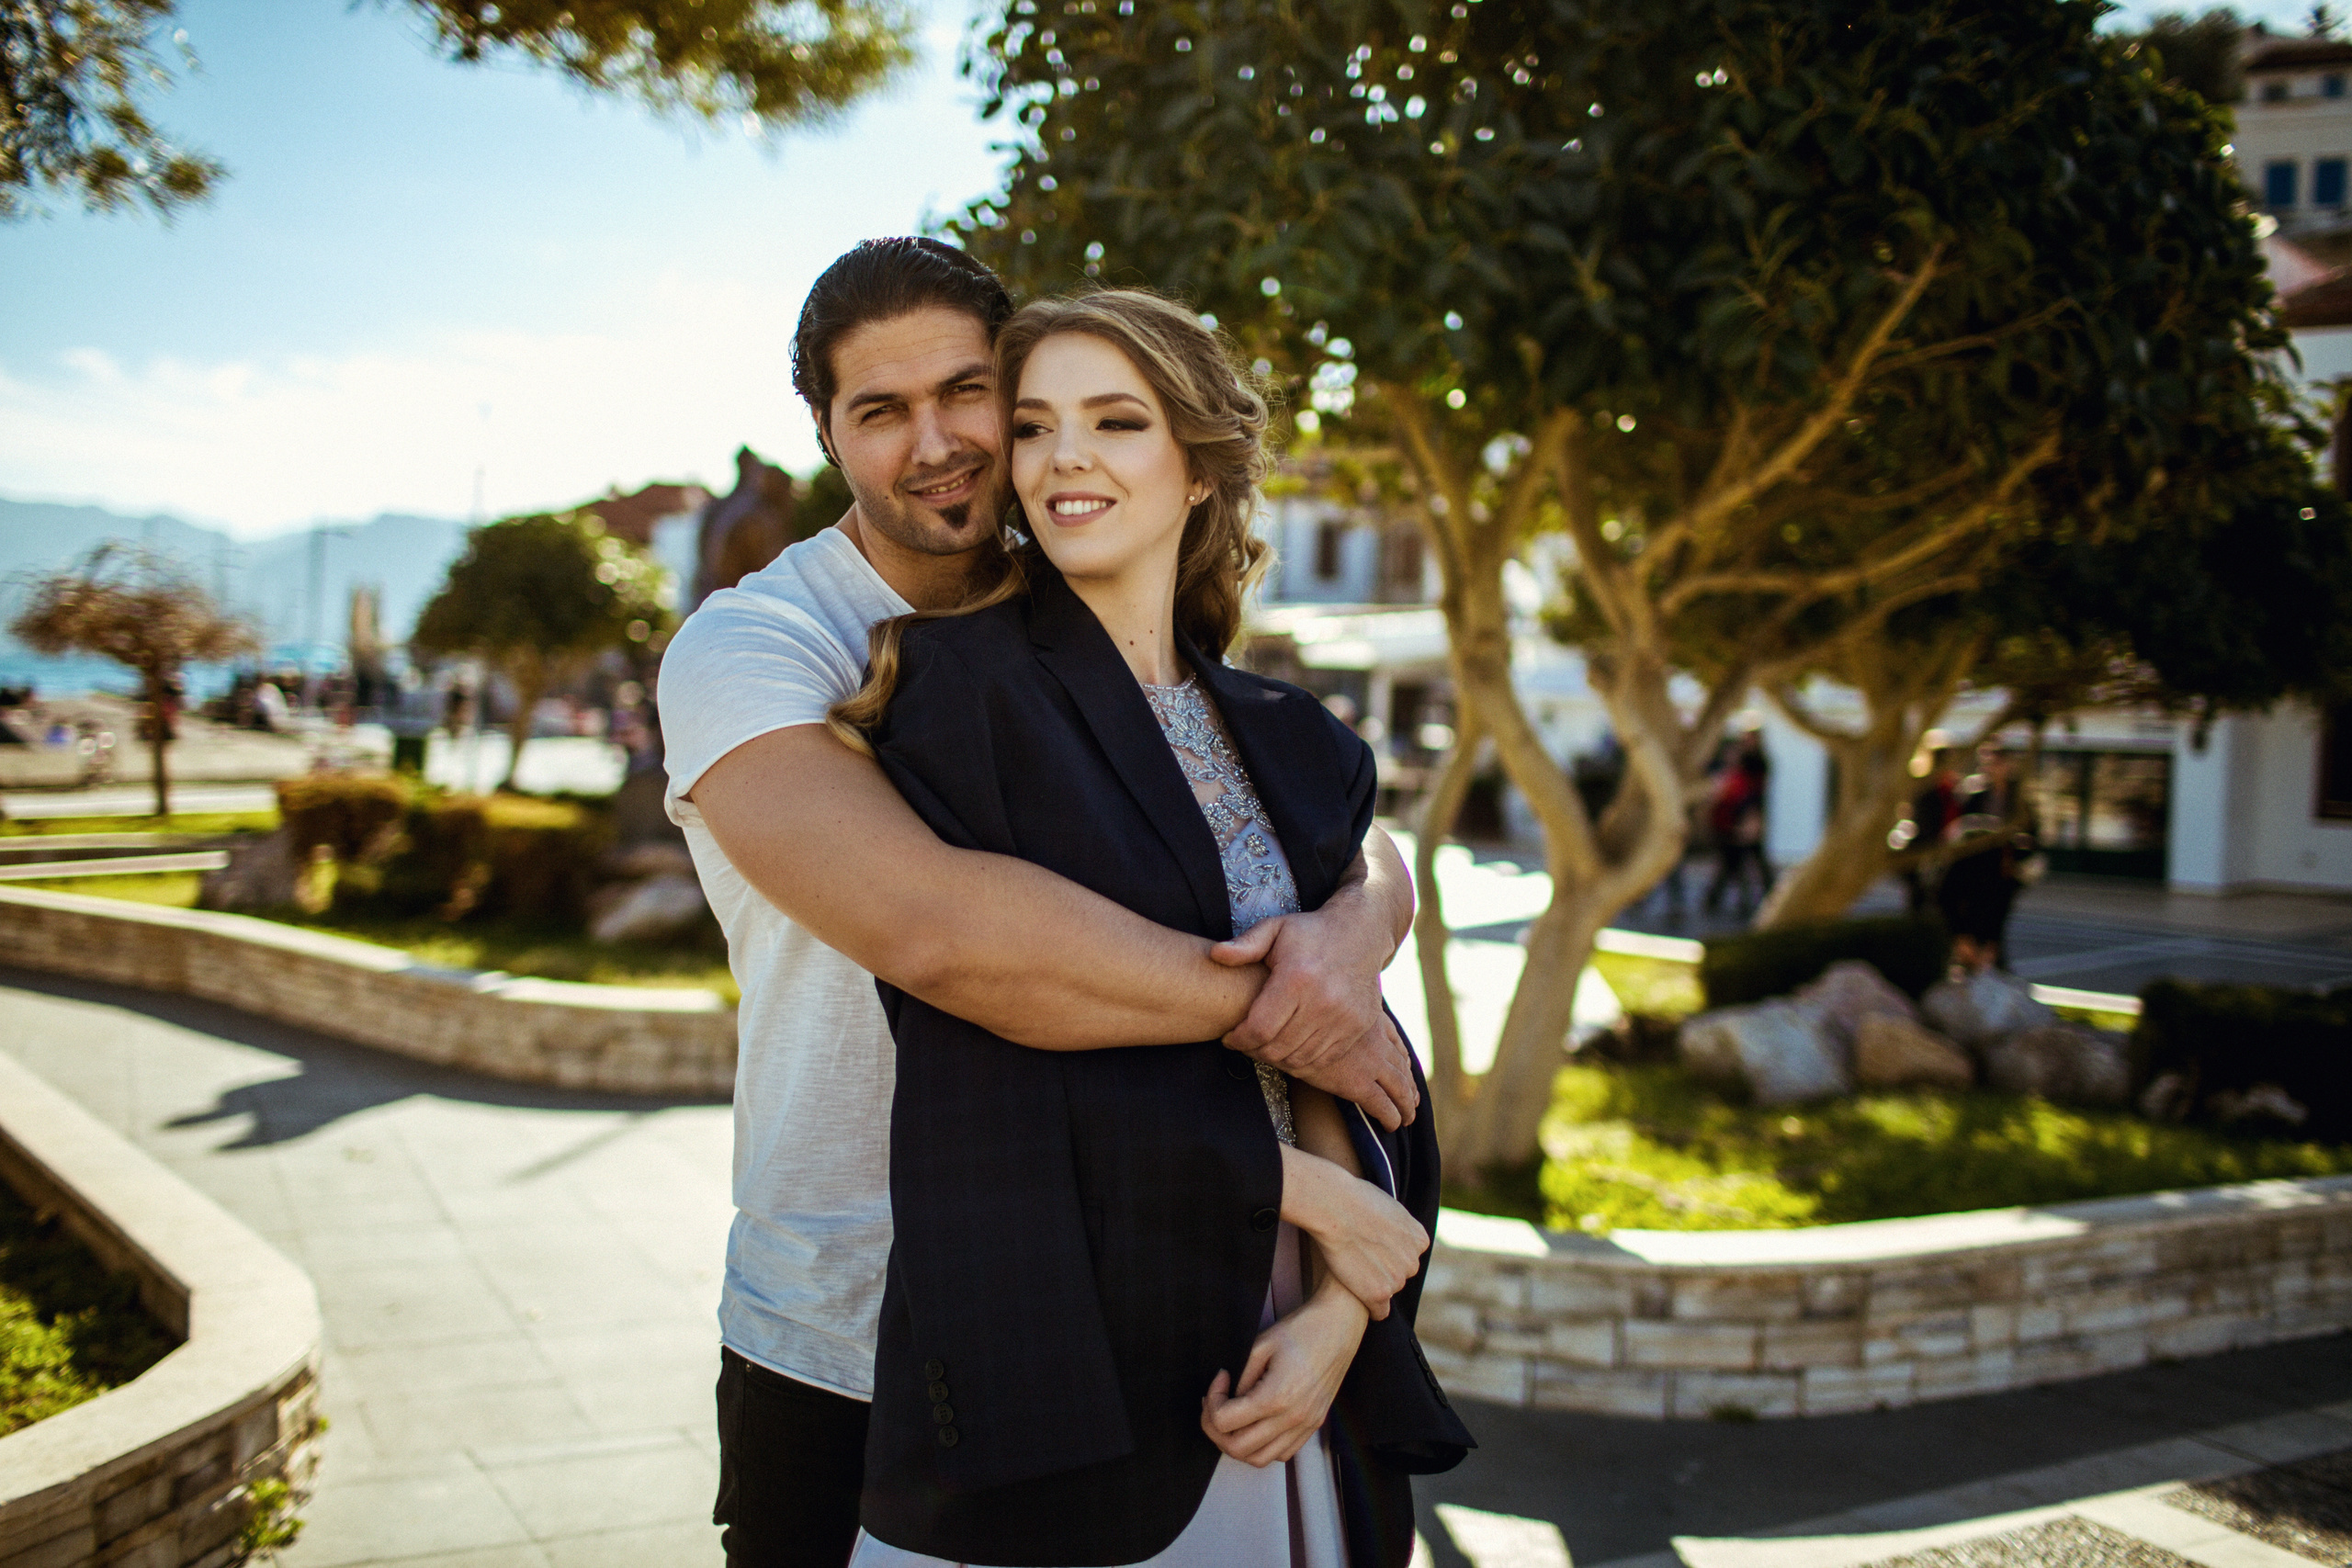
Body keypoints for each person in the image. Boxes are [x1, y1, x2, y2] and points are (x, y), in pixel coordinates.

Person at [659, 240, 1424, 1568]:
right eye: (880, 411)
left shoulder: (1087, 590)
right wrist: (1297, 1009)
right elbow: (946, 942)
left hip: (1154, 1297)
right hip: (845, 1321)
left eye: (970, 395)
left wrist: (1361, 926)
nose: (939, 442)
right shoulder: (760, 645)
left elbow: (1294, 825)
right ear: (826, 434)